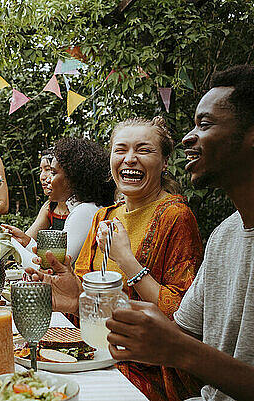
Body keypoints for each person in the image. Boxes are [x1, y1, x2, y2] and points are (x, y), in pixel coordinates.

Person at [27, 117, 204, 401]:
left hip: (147, 369)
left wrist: (128, 262)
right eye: (120, 150)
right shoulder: (104, 216)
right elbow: (86, 304)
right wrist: (73, 297)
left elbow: (182, 319)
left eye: (143, 150)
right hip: (98, 352)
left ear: (165, 162)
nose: (130, 159)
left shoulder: (176, 217)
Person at [105, 65, 254, 401]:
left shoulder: (175, 214)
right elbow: (182, 330)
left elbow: (181, 346)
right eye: (120, 150)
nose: (188, 137)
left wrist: (178, 349)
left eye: (205, 124)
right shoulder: (224, 236)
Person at [3, 138, 116, 265]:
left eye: (53, 172)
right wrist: (26, 241)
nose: (48, 179)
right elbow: (52, 257)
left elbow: (53, 267)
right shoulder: (85, 208)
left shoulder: (84, 212)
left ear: (72, 178)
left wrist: (10, 242)